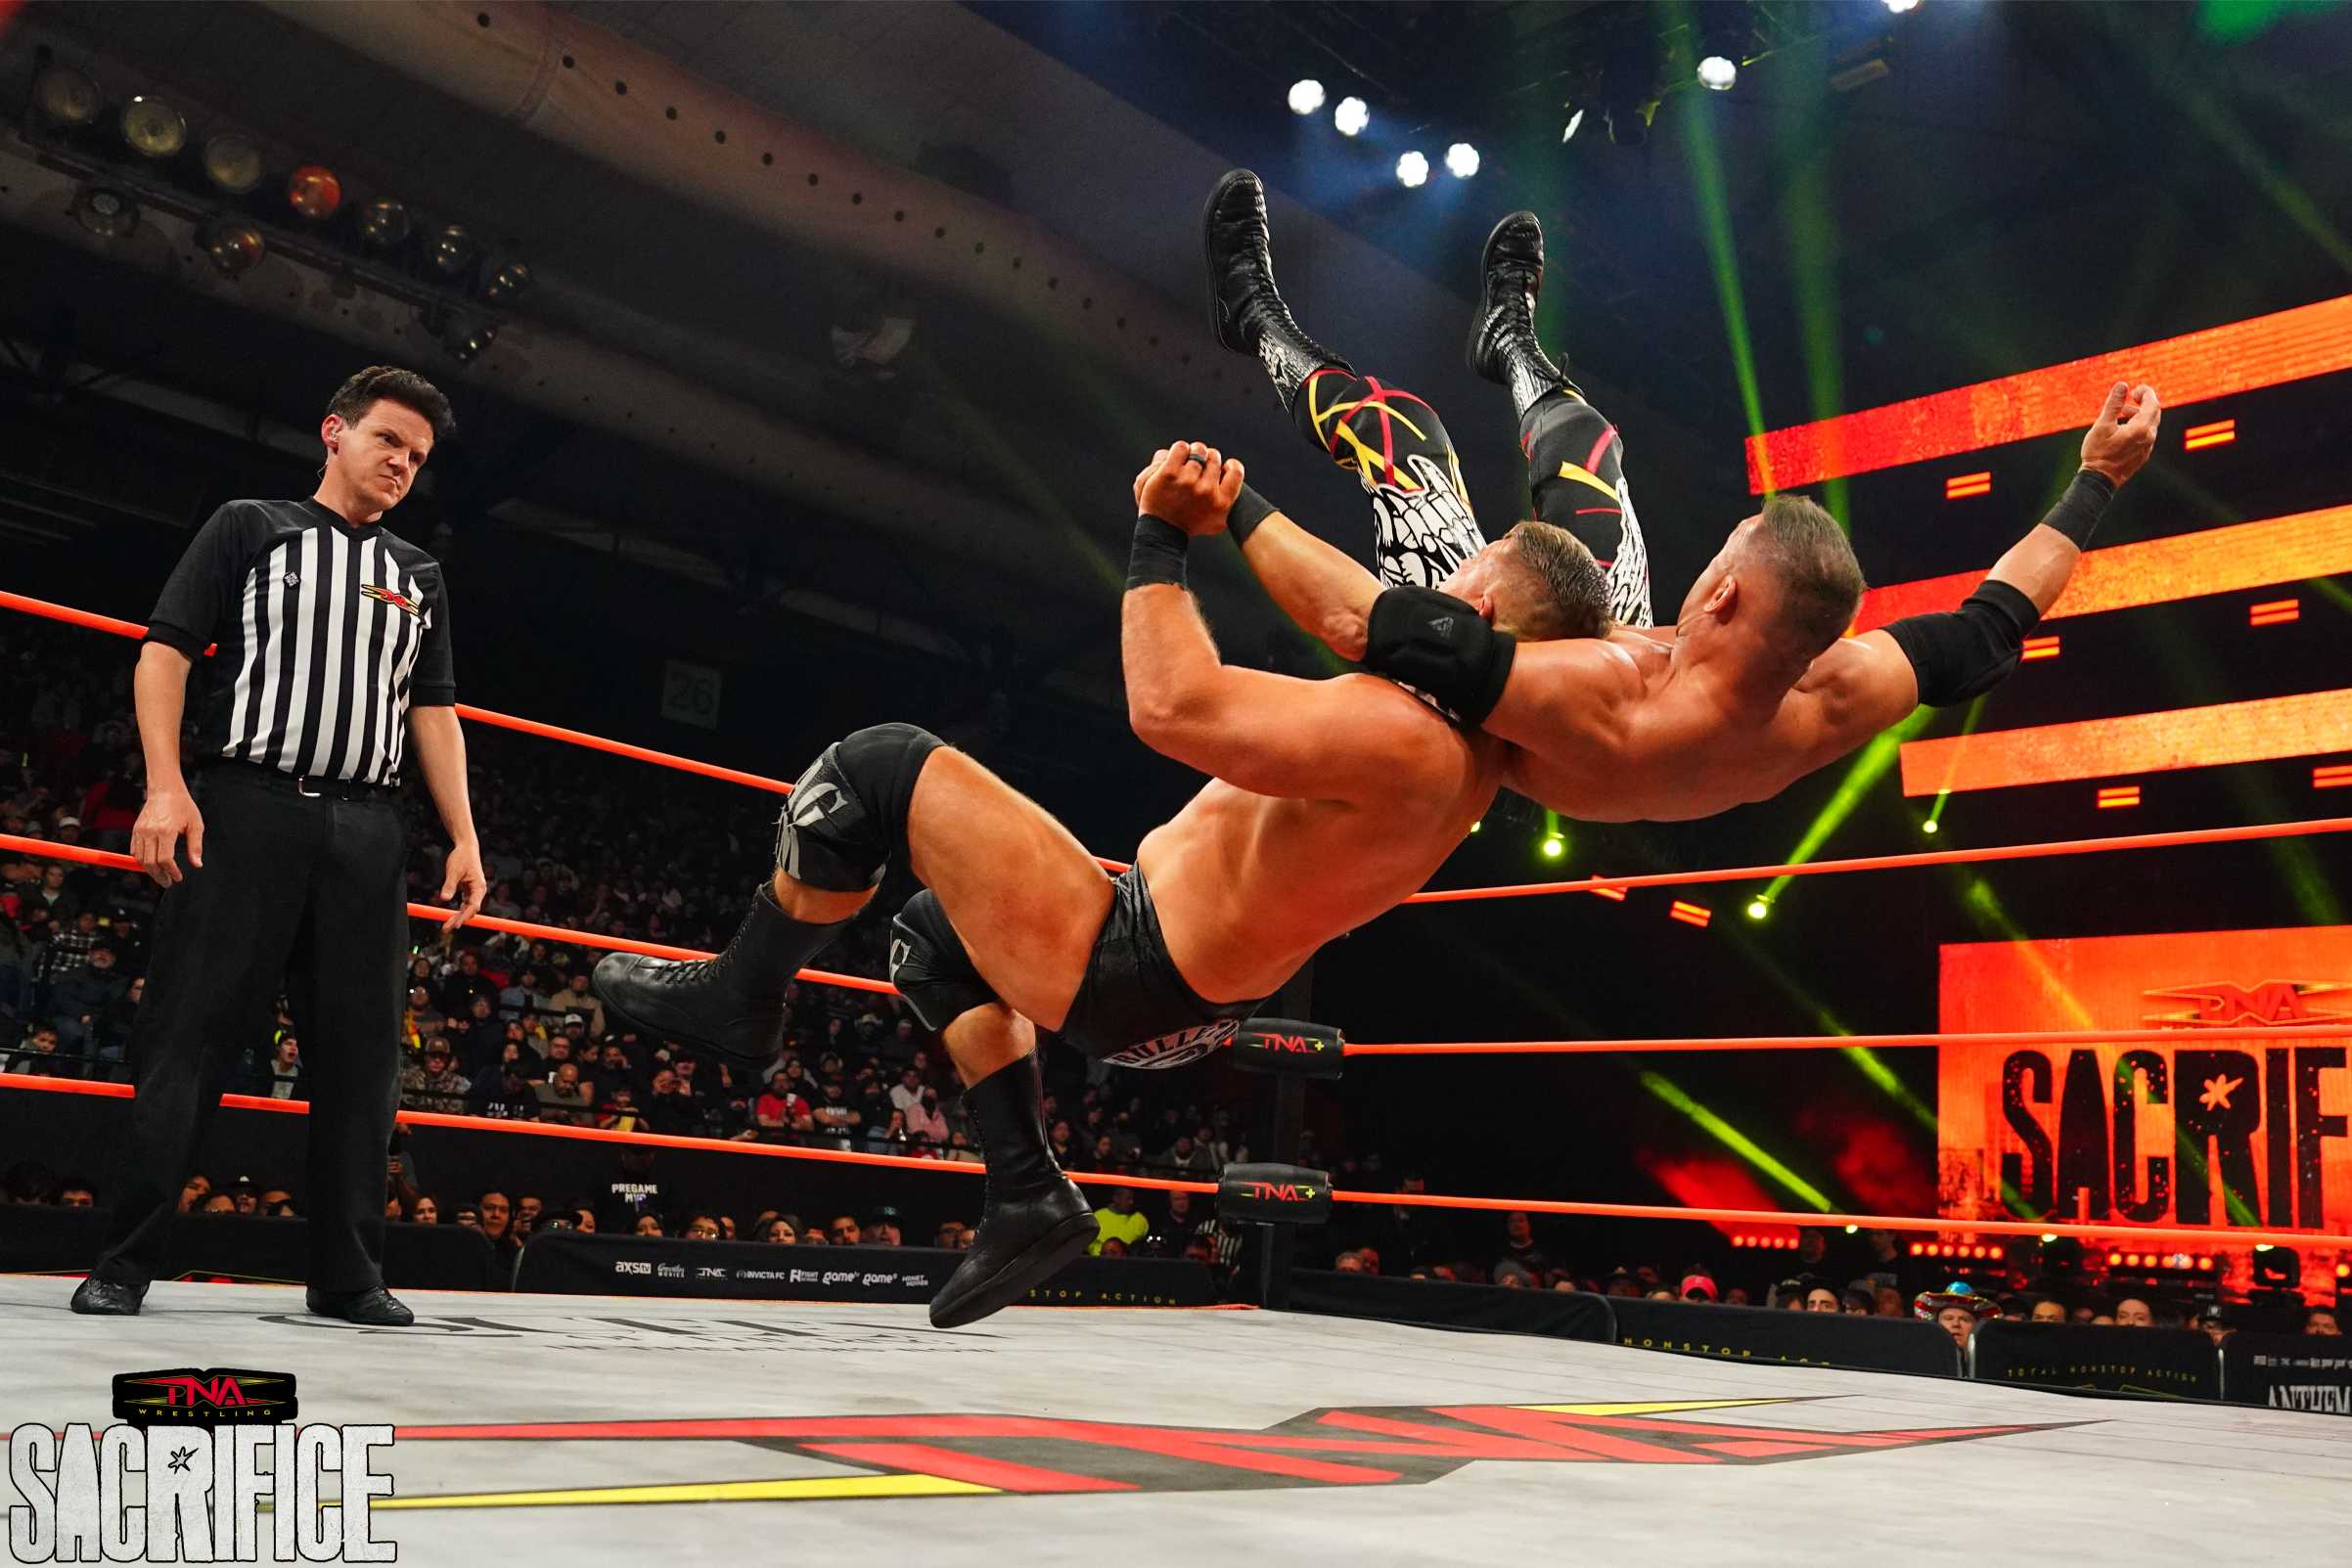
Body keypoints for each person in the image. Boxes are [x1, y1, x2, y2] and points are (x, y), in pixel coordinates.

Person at [595, 436, 1604, 1328]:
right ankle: (1028, 1192)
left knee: (874, 768)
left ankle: (741, 996)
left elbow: (1170, 705)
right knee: (932, 937)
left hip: (1133, 958)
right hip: (1182, 993)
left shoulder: (1409, 736)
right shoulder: (1472, 765)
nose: (1430, 583)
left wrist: (1161, 533)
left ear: (1473, 609)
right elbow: (1347, 611)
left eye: (1462, 570)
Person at [1198, 172, 2164, 824]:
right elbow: (1992, 625)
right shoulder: (1830, 691)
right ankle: (1509, 342)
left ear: (1724, 592)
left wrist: (1228, 499)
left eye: (1726, 551)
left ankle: (1255, 317)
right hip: (1624, 653)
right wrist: (2100, 476)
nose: (1710, 561)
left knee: (1406, 441)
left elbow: (1365, 623)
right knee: (1588, 448)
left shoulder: (1598, 701)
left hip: (1495, 700)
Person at [72, 367, 485, 1324]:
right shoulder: (251, 527)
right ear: (334, 431)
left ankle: (348, 1275)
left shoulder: (419, 575)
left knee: (363, 1060)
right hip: (248, 804)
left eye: (418, 456)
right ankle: (125, 1262)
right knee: (189, 1037)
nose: (402, 464)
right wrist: (166, 784)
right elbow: (166, 650)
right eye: (388, 440)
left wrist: (464, 834)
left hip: (371, 828)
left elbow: (433, 711)